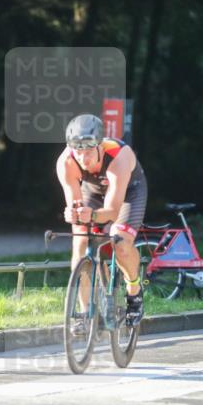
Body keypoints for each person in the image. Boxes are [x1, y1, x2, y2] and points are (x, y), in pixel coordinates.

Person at [56, 114, 147, 328]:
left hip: (127, 194)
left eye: (88, 151)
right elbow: (75, 203)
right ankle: (84, 312)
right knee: (80, 242)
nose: (83, 158)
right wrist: (74, 213)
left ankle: (134, 290)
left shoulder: (119, 156)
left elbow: (113, 211)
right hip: (93, 192)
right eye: (78, 151)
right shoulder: (65, 162)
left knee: (120, 243)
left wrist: (95, 216)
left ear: (99, 145)